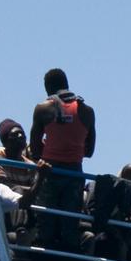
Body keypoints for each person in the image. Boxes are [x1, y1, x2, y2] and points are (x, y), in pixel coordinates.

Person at [26, 67, 95, 216]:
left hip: (49, 173)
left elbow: (34, 150)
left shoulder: (42, 109)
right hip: (75, 175)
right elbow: (89, 152)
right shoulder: (87, 111)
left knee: (46, 223)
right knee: (70, 223)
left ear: (47, 88)